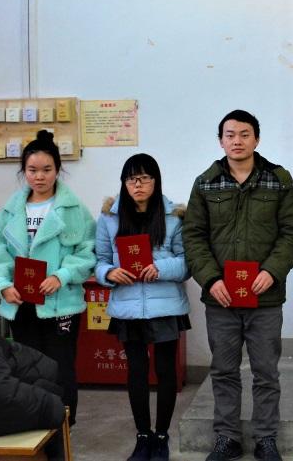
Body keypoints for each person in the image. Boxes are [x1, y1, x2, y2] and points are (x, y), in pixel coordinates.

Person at [184, 110, 293, 461]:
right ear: (221, 140)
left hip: (264, 297)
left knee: (266, 371)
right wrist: (210, 279)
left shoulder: (278, 179)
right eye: (230, 134)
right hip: (221, 298)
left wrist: (272, 271)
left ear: (257, 139)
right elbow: (193, 236)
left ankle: (266, 438)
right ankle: (227, 437)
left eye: (245, 134)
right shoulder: (205, 183)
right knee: (223, 371)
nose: (237, 141)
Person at [0, 130, 95, 425]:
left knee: (61, 366)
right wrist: (3, 285)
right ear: (24, 171)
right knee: (26, 366)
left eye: (47, 169)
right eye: (32, 170)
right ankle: (34, 425)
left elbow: (88, 251)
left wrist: (62, 275)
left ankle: (63, 427)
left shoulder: (74, 209)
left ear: (58, 170)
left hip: (61, 303)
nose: (39, 176)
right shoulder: (11, 210)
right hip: (21, 302)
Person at [96, 153, 190, 461]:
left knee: (165, 371)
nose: (138, 185)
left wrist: (160, 268)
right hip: (128, 307)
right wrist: (109, 273)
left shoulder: (174, 217)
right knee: (136, 372)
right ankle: (142, 436)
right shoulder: (109, 218)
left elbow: (187, 263)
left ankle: (161, 437)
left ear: (156, 181)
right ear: (124, 183)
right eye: (131, 179)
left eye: (145, 178)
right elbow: (99, 260)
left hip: (165, 306)